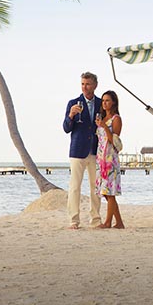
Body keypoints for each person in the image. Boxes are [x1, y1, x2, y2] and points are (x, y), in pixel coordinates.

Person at [62, 71, 102, 229]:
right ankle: (73, 220)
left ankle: (96, 220)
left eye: (88, 84)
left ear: (95, 85)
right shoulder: (73, 103)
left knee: (96, 187)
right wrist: (71, 115)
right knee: (75, 187)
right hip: (77, 151)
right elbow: (66, 128)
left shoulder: (101, 103)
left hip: (95, 150)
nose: (85, 87)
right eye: (82, 84)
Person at [95, 90, 125, 229]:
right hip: (101, 158)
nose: (104, 103)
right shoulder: (102, 119)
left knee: (110, 192)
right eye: (103, 100)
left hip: (110, 158)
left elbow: (114, 139)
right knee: (105, 192)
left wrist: (105, 126)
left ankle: (108, 222)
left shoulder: (116, 119)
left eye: (107, 100)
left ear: (113, 102)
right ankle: (119, 222)